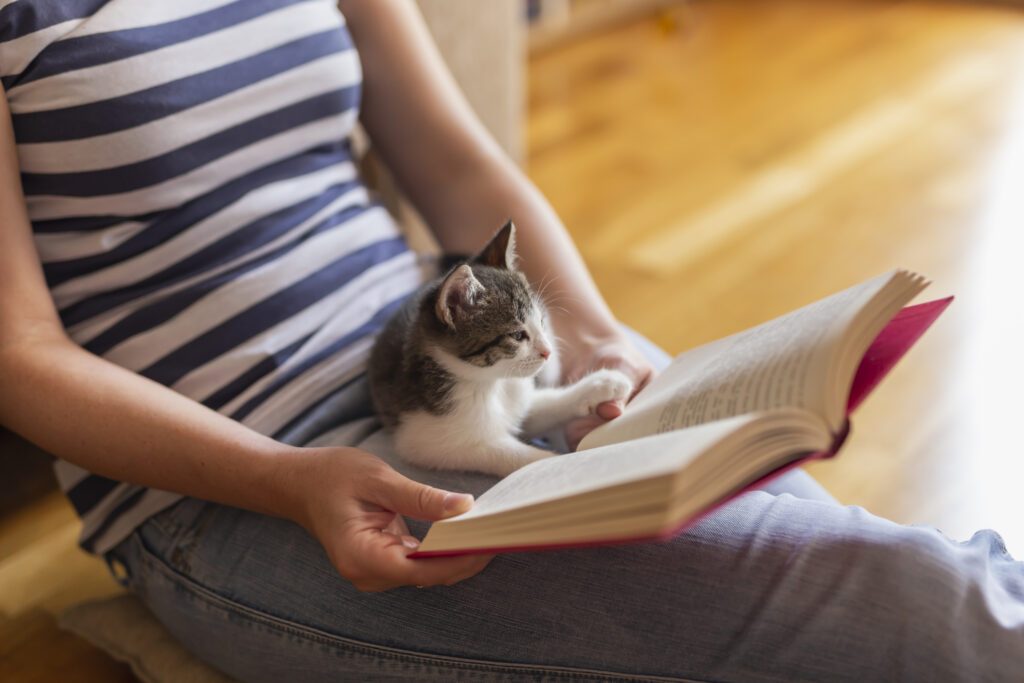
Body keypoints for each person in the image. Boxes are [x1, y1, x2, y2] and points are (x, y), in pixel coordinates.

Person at [0, 2, 1020, 681]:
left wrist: (590, 333)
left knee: (885, 574)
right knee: (912, 603)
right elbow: (20, 354)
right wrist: (288, 476)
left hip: (456, 369)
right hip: (229, 484)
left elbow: (453, 160)